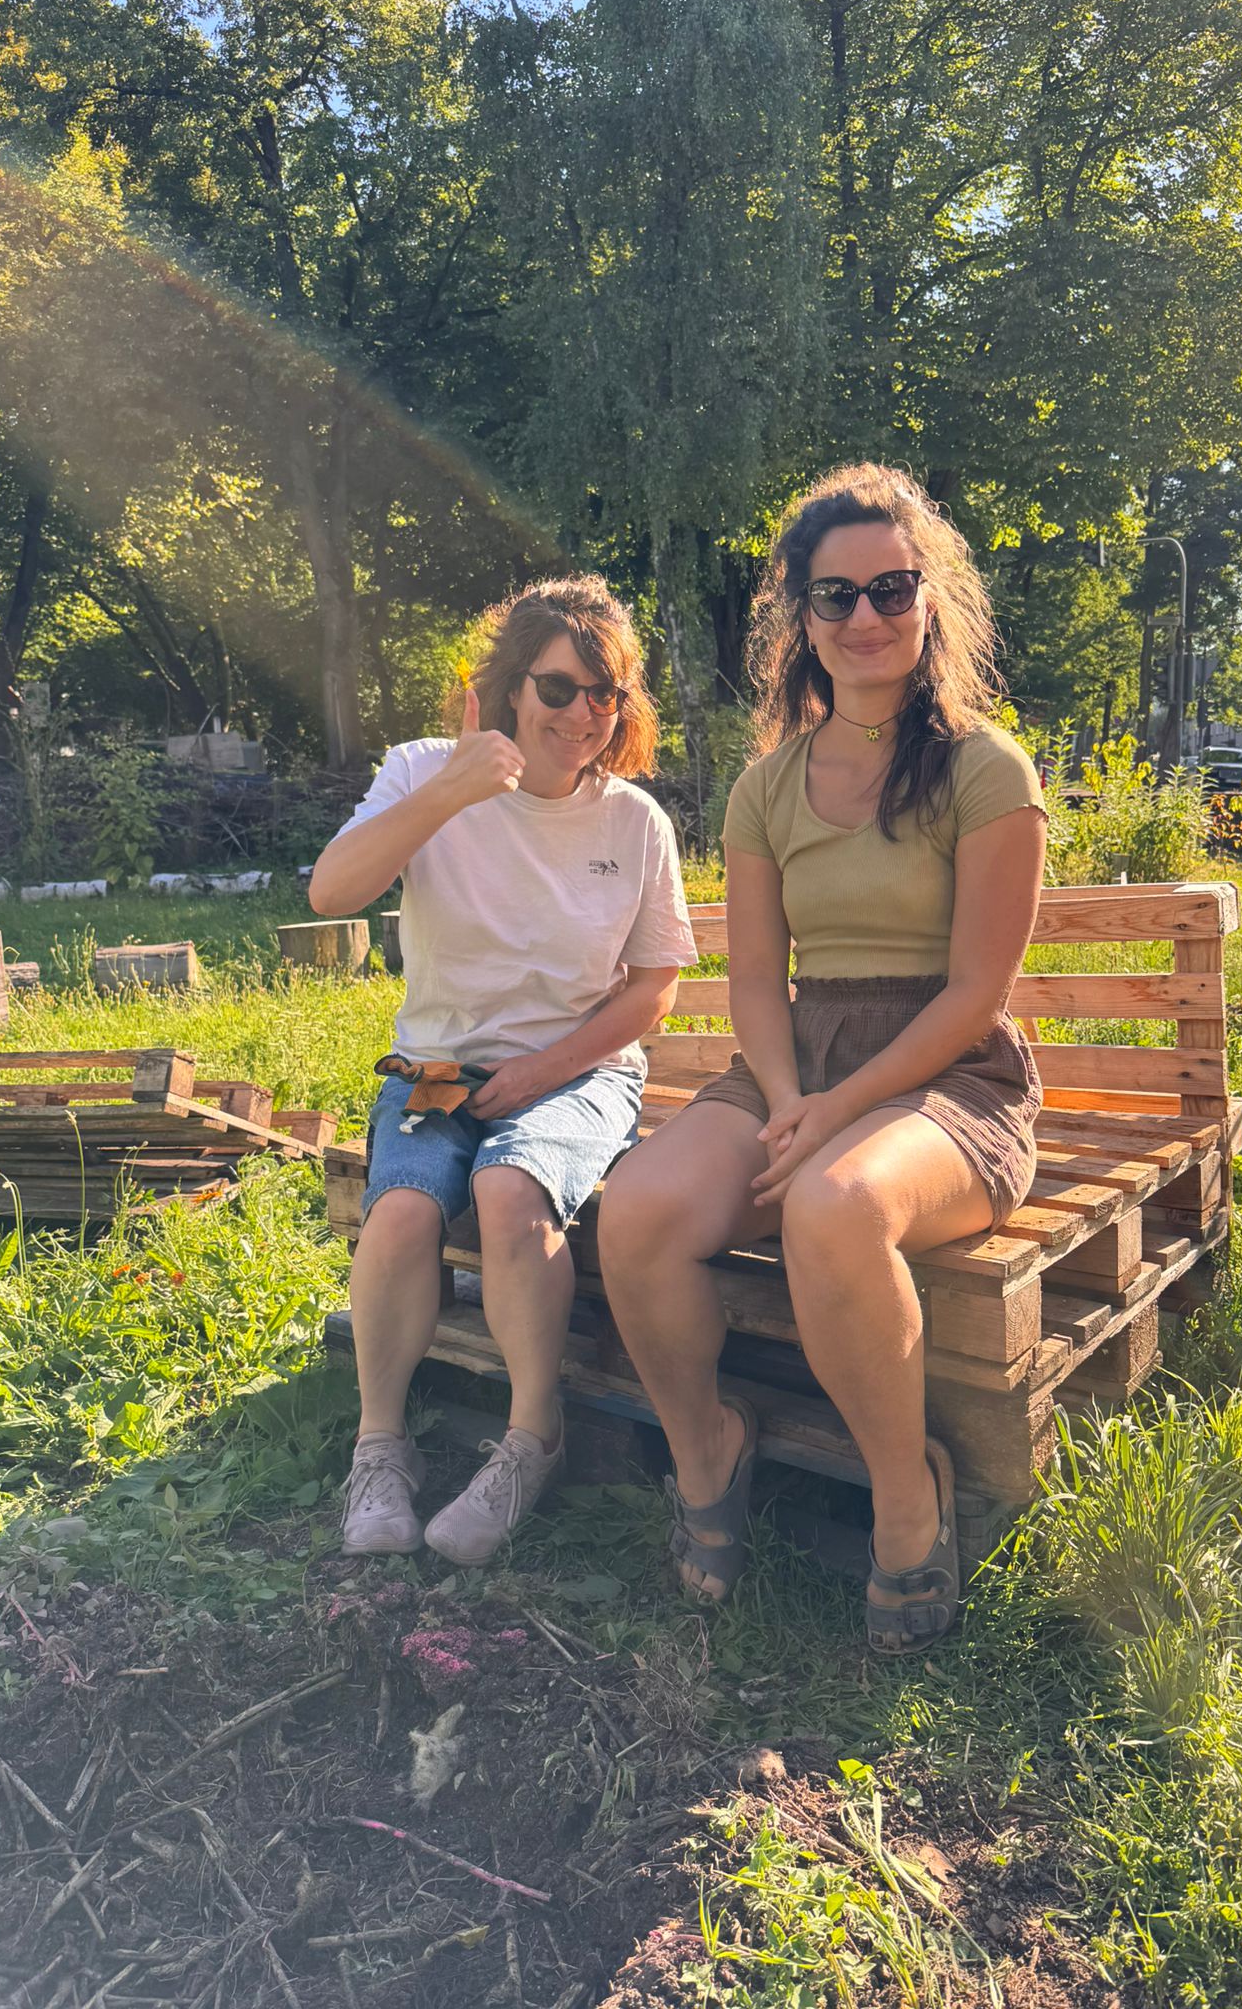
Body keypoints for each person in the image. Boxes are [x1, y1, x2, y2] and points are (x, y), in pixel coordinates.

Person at [598, 464, 1048, 1654]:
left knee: (835, 1205)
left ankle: (908, 1495)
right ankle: (709, 1448)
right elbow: (756, 980)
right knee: (635, 1210)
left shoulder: (986, 770)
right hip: (796, 1063)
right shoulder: (766, 787)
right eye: (835, 594)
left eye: (891, 588)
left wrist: (839, 1108)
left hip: (950, 1078)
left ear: (929, 600)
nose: (865, 616)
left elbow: (976, 993)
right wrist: (794, 1098)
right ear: (800, 614)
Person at [309, 577, 696, 1562]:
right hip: (436, 1065)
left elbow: (653, 990)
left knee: (509, 1187)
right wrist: (452, 789)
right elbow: (332, 892)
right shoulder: (422, 770)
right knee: (401, 1210)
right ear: (509, 689)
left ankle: (532, 1440)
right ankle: (380, 1447)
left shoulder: (633, 821)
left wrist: (541, 1072)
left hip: (580, 1071)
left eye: (605, 693)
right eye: (558, 689)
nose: (583, 714)